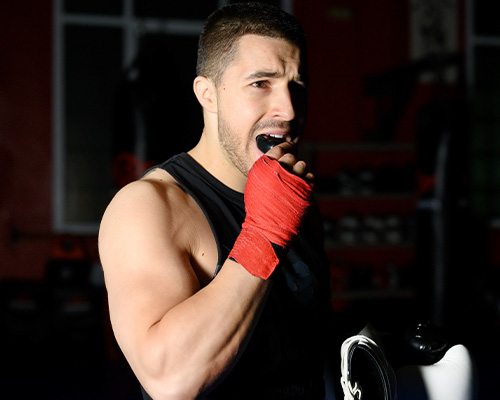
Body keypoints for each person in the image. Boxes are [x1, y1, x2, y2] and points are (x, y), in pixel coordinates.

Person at [99, 3, 331, 399]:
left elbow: (294, 343)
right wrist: (264, 234)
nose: (288, 110)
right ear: (207, 94)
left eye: (297, 86)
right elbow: (169, 380)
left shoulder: (293, 199)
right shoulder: (149, 208)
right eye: (261, 84)